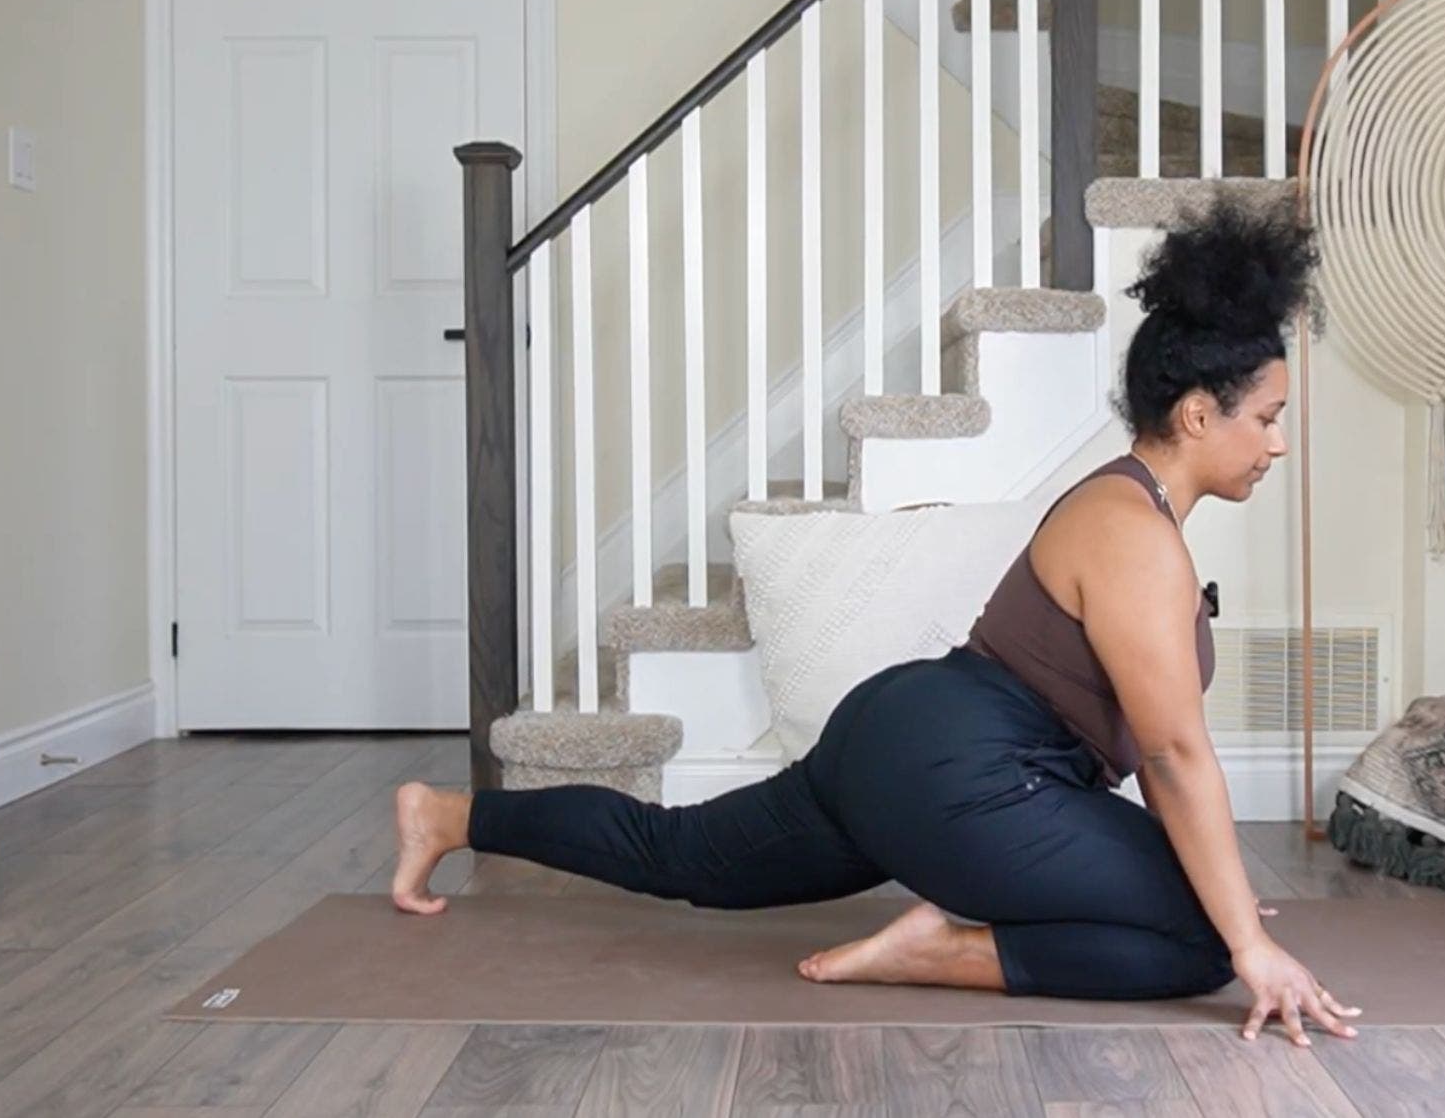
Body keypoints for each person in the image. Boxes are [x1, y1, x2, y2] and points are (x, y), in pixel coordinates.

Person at [390, 204, 1359, 1047]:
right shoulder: (1137, 537)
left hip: (903, 738)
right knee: (1200, 944)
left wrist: (1186, 885)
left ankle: (450, 815)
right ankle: (938, 952)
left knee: (675, 854)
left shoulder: (1123, 509)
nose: (1277, 442)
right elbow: (1174, 756)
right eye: (1267, 418)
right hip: (965, 775)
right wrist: (1243, 937)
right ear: (1196, 414)